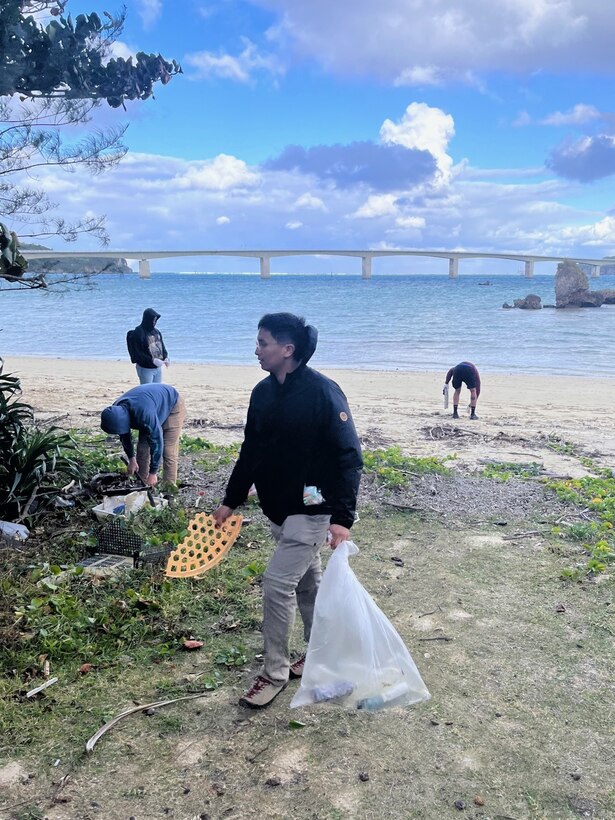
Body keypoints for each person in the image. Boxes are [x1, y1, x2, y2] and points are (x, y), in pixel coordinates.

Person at [214, 313, 363, 709]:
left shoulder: (323, 393)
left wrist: (341, 518)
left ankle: (274, 673)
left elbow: (349, 457)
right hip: (276, 504)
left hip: (313, 500)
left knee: (277, 585)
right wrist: (231, 498)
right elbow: (251, 450)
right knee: (307, 585)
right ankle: (319, 655)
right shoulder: (262, 393)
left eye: (263, 343)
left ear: (288, 349)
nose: (257, 350)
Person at [100, 383, 186, 487]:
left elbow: (157, 440)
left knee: (168, 450)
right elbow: (124, 435)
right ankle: (141, 484)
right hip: (150, 405)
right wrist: (131, 459)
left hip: (172, 403)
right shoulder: (115, 410)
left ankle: (169, 489)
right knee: (142, 448)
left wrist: (153, 473)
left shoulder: (144, 415)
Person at [126, 308, 170, 384]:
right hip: (145, 368)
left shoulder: (156, 332)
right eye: (153, 320)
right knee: (146, 390)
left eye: (155, 320)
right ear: (147, 319)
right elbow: (138, 353)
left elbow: (162, 347)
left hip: (157, 368)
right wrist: (152, 360)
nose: (154, 322)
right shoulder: (138, 333)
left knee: (156, 389)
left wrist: (165, 357)